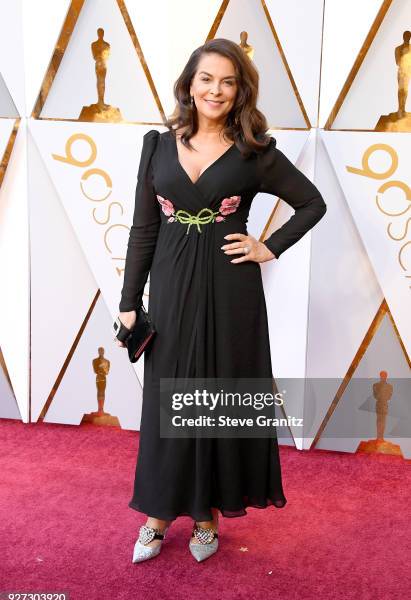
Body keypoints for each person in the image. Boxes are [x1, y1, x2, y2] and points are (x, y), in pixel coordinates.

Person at [115, 38, 327, 564]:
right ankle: (158, 515)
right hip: (169, 286)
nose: (216, 90)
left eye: (228, 82)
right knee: (170, 399)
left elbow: (311, 203)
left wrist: (267, 246)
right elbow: (144, 228)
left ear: (240, 92)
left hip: (231, 289)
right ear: (189, 83)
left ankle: (206, 514)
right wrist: (128, 301)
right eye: (207, 78)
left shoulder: (256, 151)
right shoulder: (156, 146)